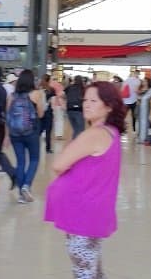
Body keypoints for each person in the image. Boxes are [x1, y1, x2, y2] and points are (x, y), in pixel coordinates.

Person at [44, 81, 125, 279]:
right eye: (85, 100)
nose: (86, 105)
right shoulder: (111, 132)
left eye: (93, 100)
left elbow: (59, 165)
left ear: (108, 105)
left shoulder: (94, 134)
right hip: (94, 209)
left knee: (83, 271)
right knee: (93, 269)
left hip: (82, 212)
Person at [8, 69, 45, 203]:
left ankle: (20, 195)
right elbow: (41, 114)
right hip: (32, 132)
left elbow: (8, 115)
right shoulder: (36, 94)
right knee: (34, 159)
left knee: (20, 162)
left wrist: (7, 135)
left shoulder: (12, 96)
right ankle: (26, 185)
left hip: (15, 133)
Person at [40, 74, 56, 154]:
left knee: (38, 130)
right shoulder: (51, 90)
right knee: (48, 131)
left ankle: (34, 147)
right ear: (49, 80)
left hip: (39, 112)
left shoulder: (38, 89)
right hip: (48, 112)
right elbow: (53, 102)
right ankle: (48, 148)